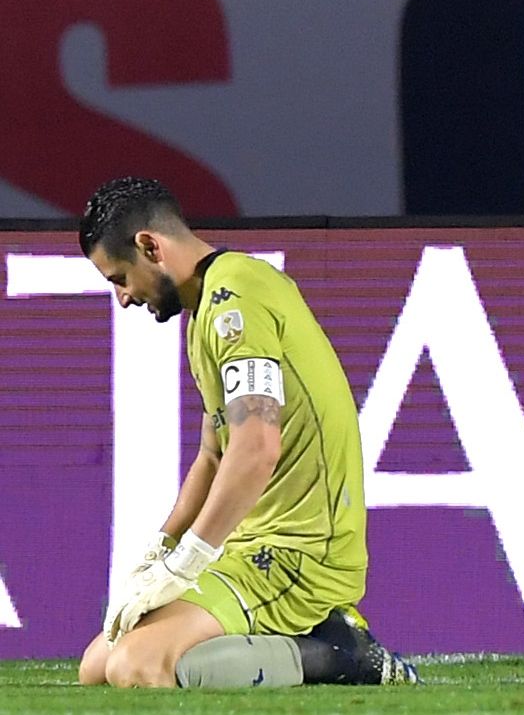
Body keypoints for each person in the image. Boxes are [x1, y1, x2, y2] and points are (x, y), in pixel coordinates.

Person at [75, 177, 417, 687]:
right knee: (98, 666)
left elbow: (257, 446)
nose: (123, 298)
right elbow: (215, 455)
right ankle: (312, 640)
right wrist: (160, 553)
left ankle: (338, 653)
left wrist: (189, 560)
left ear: (150, 246)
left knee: (139, 665)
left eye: (120, 277)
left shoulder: (238, 301)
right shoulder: (206, 313)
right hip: (249, 546)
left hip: (300, 554)